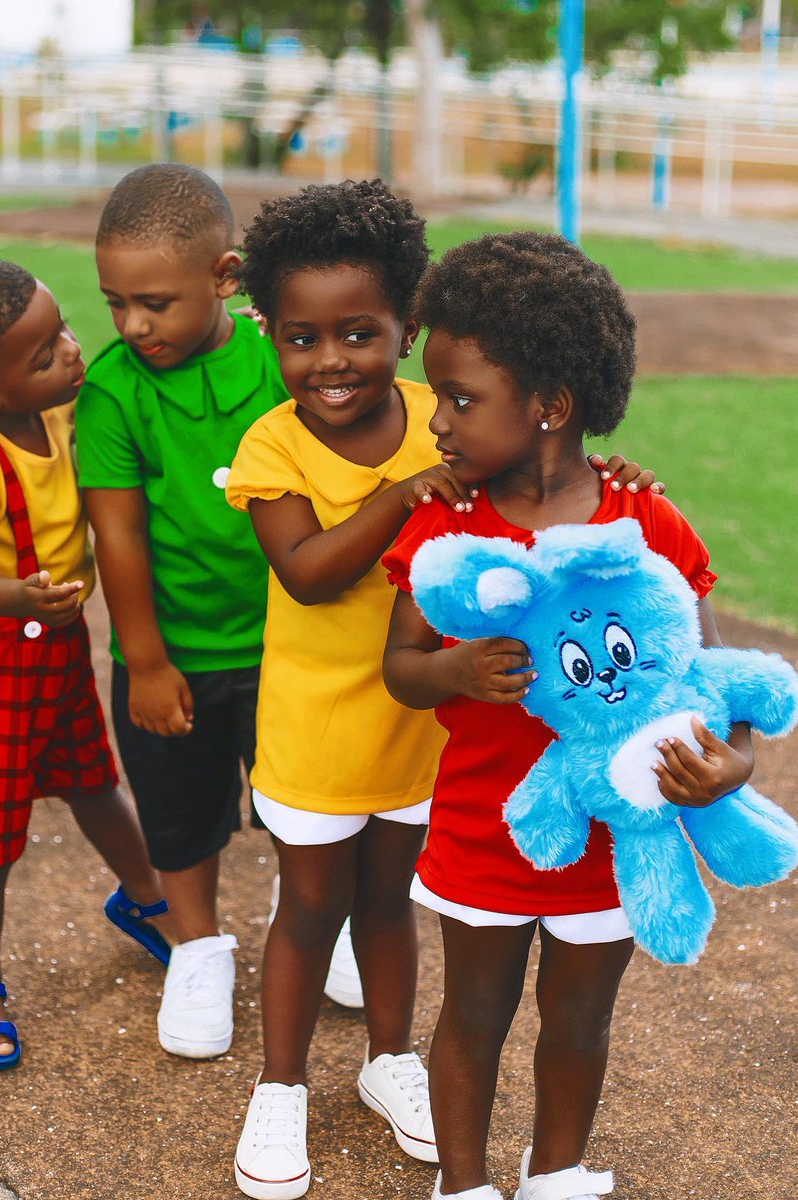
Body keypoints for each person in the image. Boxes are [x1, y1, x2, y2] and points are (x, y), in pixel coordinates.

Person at [224, 182, 660, 1200]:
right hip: (319, 722)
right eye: (302, 338)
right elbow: (307, 572)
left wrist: (604, 467)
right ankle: (279, 1086)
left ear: (405, 329)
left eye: (360, 333)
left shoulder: (448, 416)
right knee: (309, 903)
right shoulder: (273, 446)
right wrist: (395, 496)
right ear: (270, 337)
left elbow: (536, 464)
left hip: (427, 728)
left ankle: (388, 1062)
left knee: (389, 904)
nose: (330, 360)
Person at [381, 232, 756, 1200]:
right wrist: (454, 668)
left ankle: (554, 1175)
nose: (438, 425)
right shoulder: (446, 528)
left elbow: (704, 679)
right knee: (471, 1014)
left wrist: (731, 766)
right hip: (483, 829)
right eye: (437, 398)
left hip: (617, 843)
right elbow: (401, 670)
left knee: (579, 1023)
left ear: (550, 406)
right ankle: (459, 1185)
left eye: (460, 399)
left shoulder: (647, 525)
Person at [74, 164, 362, 1062]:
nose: (130, 326)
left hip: (290, 639)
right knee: (177, 808)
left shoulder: (282, 358)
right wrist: (148, 662)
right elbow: (116, 535)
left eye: (154, 303)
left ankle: (314, 917)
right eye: (115, 303)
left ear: (226, 277)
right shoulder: (113, 392)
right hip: (175, 647)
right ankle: (197, 947)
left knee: (302, 799)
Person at [0, 255, 171, 1071]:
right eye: (46, 351)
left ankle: (148, 900)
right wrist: (17, 597)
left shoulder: (54, 405)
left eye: (60, 329)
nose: (72, 349)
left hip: (52, 644)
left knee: (93, 777)